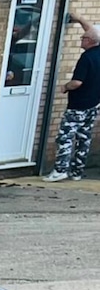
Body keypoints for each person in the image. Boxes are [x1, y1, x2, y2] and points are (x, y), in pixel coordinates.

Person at [46, 15, 100, 180]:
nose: (80, 40)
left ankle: (60, 171)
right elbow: (92, 31)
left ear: (89, 41)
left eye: (83, 38)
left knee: (65, 137)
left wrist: (65, 87)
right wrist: (78, 19)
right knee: (84, 137)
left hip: (78, 106)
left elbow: (77, 82)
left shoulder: (86, 58)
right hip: (94, 104)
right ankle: (77, 172)